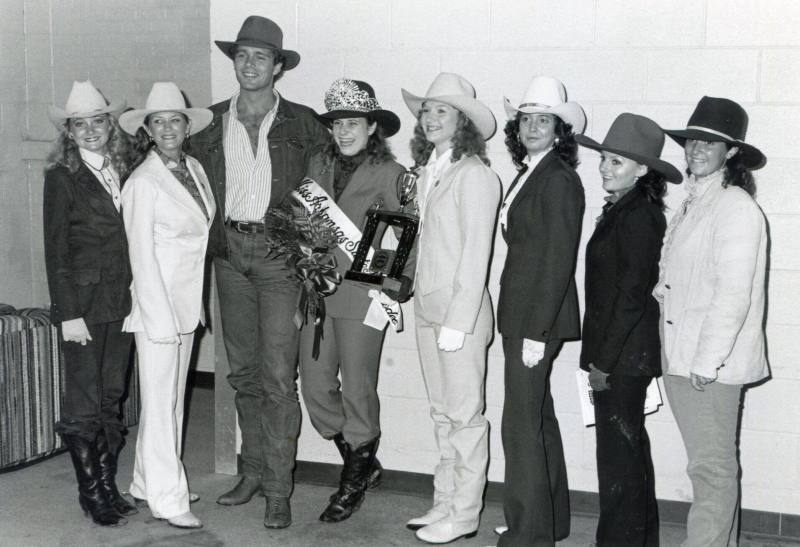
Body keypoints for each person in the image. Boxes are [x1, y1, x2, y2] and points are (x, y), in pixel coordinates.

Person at [190, 15, 328, 529]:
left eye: (261, 57)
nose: (250, 64)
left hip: (279, 260)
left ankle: (277, 487)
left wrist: (311, 268)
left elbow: (320, 200)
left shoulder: (304, 123)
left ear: (278, 67)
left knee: (276, 378)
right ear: (235, 62)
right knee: (242, 375)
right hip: (228, 254)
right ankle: (249, 473)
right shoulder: (207, 123)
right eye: (242, 55)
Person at [299, 78, 413, 523]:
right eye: (337, 123)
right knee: (315, 385)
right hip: (318, 291)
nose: (344, 131)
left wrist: (393, 276)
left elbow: (406, 231)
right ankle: (361, 462)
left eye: (353, 123)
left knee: (359, 389)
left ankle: (352, 482)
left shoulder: (392, 173)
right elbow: (299, 218)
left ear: (372, 127)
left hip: (363, 295)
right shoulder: (316, 164)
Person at [656, 96, 768, 547]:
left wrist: (707, 361)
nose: (696, 149)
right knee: (710, 465)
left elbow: (732, 296)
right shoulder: (695, 202)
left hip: (708, 363)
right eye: (692, 140)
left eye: (710, 143)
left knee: (711, 468)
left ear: (733, 152)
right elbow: (682, 274)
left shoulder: (736, 207)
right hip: (682, 354)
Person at [401, 72, 500, 544]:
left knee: (465, 417)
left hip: (459, 317)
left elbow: (476, 253)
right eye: (426, 110)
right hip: (427, 308)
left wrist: (459, 323)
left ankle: (464, 515)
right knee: (442, 413)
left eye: (442, 110)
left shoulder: (477, 174)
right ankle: (443, 502)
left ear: (462, 121)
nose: (430, 117)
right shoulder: (425, 173)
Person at [576, 113, 683, 547]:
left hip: (620, 358)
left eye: (616, 162)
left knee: (618, 462)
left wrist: (601, 362)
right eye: (604, 158)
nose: (604, 168)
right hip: (621, 355)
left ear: (643, 170)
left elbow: (630, 297)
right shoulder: (626, 208)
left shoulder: (639, 217)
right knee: (629, 455)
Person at [118, 82, 215, 530]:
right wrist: (157, 318)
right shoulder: (142, 180)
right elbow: (140, 255)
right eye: (158, 121)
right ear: (148, 130)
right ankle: (166, 496)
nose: (168, 127)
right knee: (159, 403)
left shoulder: (193, 167)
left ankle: (146, 481)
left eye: (175, 119)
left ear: (186, 126)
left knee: (172, 400)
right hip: (158, 310)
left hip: (185, 304)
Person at [494, 75, 585, 547]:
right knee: (538, 420)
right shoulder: (531, 171)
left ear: (559, 130)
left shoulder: (559, 179)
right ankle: (551, 522)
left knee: (519, 426)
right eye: (526, 119)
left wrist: (537, 331)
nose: (532, 127)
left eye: (542, 120)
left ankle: (527, 536)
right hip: (522, 314)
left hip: (535, 319)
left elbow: (558, 259)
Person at [43, 80, 137, 527]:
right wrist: (69, 315)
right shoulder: (62, 178)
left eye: (97, 121)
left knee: (111, 397)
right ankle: (90, 494)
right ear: (69, 132)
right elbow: (56, 251)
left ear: (109, 124)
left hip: (121, 299)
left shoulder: (123, 168)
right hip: (82, 304)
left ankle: (108, 485)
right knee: (84, 401)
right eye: (79, 125)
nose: (90, 130)